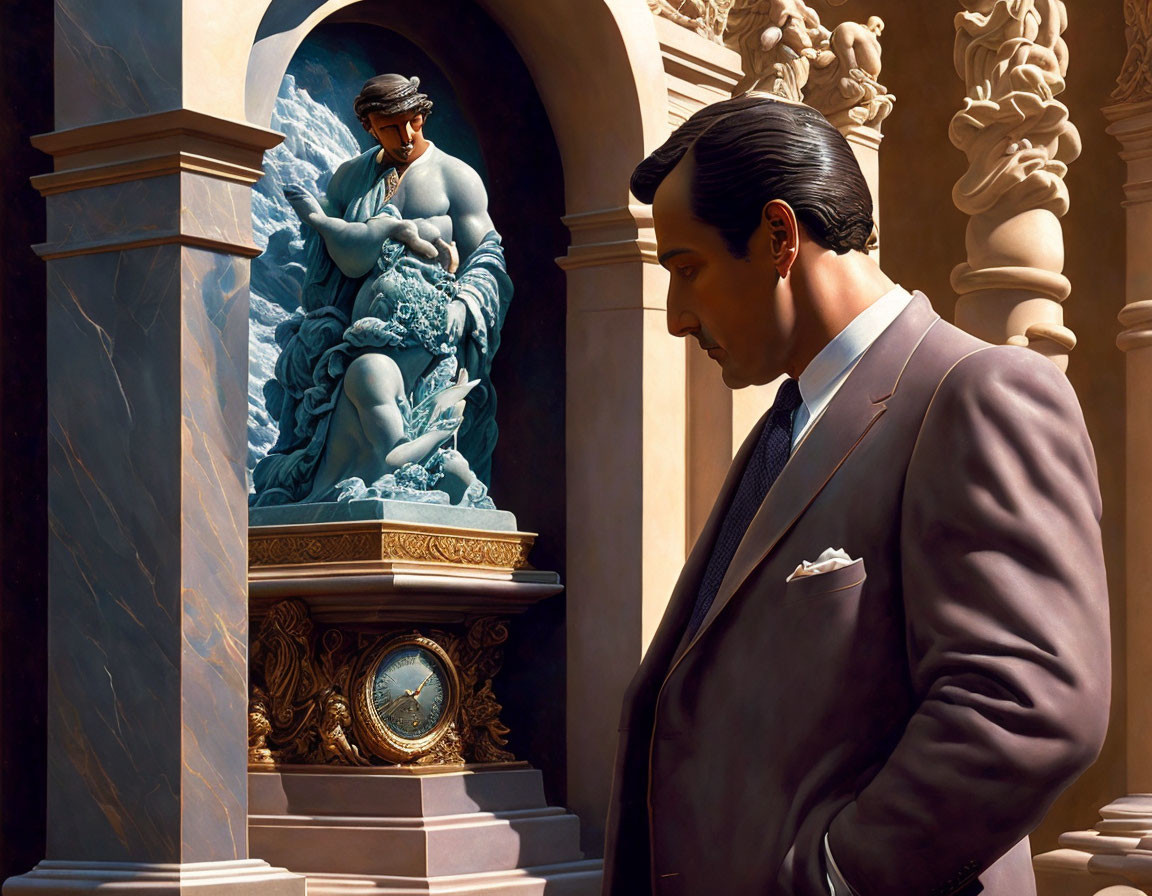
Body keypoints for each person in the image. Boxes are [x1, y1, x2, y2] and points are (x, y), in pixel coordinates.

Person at [603, 94, 1110, 896]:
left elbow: (1027, 707)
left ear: (778, 236)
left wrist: (833, 878)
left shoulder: (979, 392)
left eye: (687, 268)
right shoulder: (789, 425)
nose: (674, 317)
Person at [251, 74, 511, 508]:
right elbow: (328, 265)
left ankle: (411, 478)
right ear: (369, 127)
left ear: (423, 115)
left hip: (426, 338)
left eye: (414, 122)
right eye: (390, 126)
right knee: (343, 435)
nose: (406, 136)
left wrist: (464, 304)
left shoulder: (455, 178)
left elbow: (487, 256)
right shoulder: (350, 179)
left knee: (390, 432)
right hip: (357, 335)